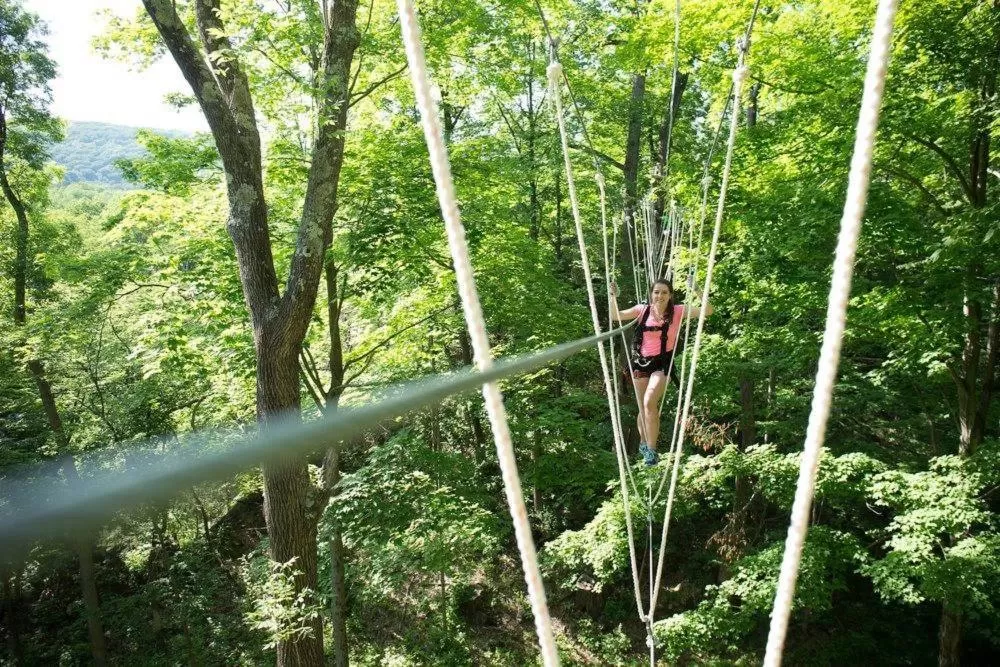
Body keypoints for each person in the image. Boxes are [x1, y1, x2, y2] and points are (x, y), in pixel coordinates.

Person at [611, 278, 712, 465]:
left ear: (670, 295)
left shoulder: (678, 311)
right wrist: (613, 296)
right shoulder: (642, 310)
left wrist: (697, 289)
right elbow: (615, 316)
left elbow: (708, 311)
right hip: (640, 363)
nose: (660, 296)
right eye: (657, 292)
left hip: (662, 363)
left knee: (650, 402)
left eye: (664, 292)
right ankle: (643, 443)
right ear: (651, 294)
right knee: (642, 408)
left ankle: (652, 449)